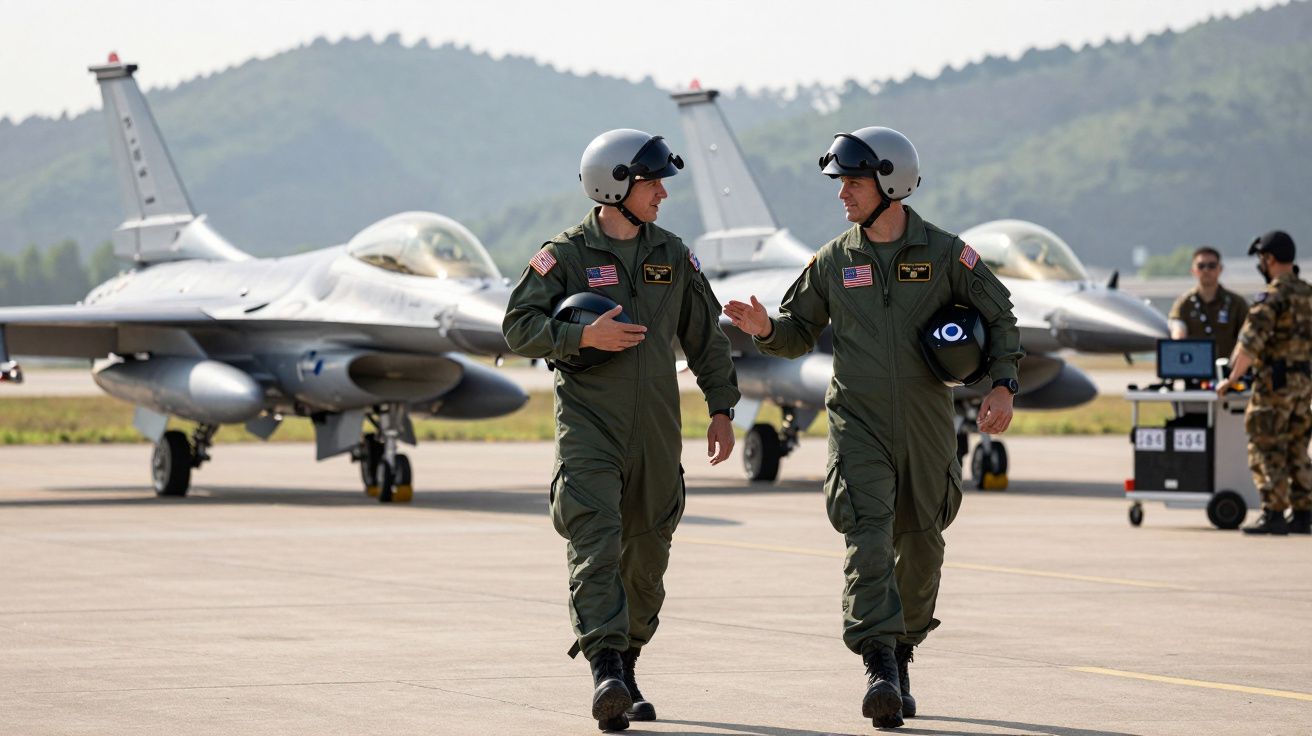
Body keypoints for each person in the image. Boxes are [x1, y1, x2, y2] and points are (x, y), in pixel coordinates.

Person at [724, 127, 1022, 729]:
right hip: (856, 421)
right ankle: (878, 663)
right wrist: (762, 328)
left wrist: (1002, 383)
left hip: (926, 420)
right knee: (867, 536)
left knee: (922, 541)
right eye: (841, 184)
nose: (843, 194)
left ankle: (903, 649)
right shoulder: (833, 260)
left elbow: (1001, 316)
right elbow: (795, 334)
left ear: (892, 182)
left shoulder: (946, 254)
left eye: (854, 183)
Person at [502, 128, 739, 731]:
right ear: (615, 186)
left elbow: (704, 336)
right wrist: (582, 336)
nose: (662, 193)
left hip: (657, 433)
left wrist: (721, 408)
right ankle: (605, 668)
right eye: (652, 181)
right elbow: (517, 326)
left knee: (648, 554)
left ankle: (627, 664)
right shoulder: (565, 255)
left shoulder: (672, 255)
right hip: (591, 430)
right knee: (596, 544)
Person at [1217, 230, 1312, 536]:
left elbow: (1249, 343)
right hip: (1304, 383)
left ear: (1269, 259)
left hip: (1276, 383)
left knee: (1265, 444)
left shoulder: (1272, 296)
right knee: (1297, 447)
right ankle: (1302, 513)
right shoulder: (1308, 294)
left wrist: (1231, 379)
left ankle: (1272, 512)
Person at [1168, 246, 1248, 362]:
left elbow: (1247, 336)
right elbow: (1177, 331)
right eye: (1201, 266)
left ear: (1220, 269)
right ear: (1193, 271)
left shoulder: (1236, 303)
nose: (1206, 270)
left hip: (1229, 371)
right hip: (1195, 370)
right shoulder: (1184, 303)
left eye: (1212, 266)